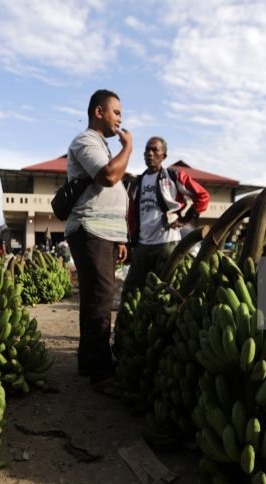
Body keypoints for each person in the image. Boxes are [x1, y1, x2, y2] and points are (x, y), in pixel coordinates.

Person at [64, 89, 133, 390]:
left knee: (94, 297)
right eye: (116, 112)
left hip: (104, 232)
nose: (120, 118)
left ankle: (88, 363)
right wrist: (128, 147)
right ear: (98, 112)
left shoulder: (102, 145)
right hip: (90, 229)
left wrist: (120, 238)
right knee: (101, 299)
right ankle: (103, 373)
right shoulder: (86, 141)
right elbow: (108, 177)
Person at [122, 136, 210, 297]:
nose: (150, 153)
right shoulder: (137, 183)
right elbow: (131, 214)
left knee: (163, 290)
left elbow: (202, 196)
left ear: (164, 156)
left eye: (155, 150)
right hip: (142, 244)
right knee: (132, 290)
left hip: (166, 243)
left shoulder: (174, 177)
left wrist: (185, 219)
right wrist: (130, 241)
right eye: (147, 150)